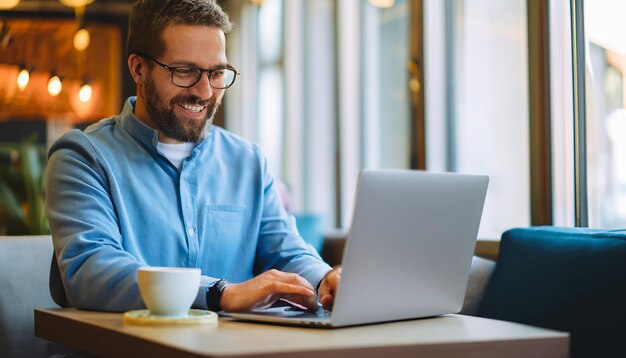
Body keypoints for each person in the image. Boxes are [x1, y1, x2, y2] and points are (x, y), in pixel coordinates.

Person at [45, 0, 340, 313]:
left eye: (216, 72)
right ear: (138, 68)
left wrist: (324, 279)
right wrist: (219, 294)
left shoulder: (248, 161)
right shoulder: (81, 157)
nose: (204, 91)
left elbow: (286, 252)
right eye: (184, 71)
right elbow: (92, 270)